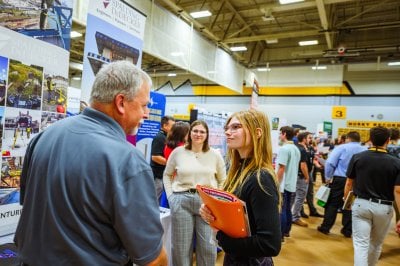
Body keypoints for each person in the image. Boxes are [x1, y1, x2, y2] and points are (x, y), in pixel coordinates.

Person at [14, 61, 167, 265]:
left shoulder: (43, 137)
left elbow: (32, 206)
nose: (146, 113)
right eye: (144, 105)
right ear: (121, 102)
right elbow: (152, 258)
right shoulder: (128, 161)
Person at [199, 109, 281, 265]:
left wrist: (221, 238)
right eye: (227, 128)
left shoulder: (261, 178)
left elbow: (270, 244)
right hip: (236, 258)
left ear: (257, 133)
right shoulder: (238, 170)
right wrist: (212, 213)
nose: (228, 133)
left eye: (236, 127)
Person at [163, 120, 226, 265]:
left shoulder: (215, 154)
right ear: (189, 133)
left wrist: (216, 201)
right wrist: (171, 196)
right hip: (181, 200)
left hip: (207, 203)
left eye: (202, 131)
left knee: (208, 247)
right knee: (181, 248)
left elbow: (223, 180)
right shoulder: (178, 152)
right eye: (195, 131)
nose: (198, 134)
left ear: (207, 135)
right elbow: (167, 175)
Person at [344, 126, 400, 266]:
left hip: (361, 204)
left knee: (361, 245)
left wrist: (347, 200)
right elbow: (398, 190)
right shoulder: (396, 162)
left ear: (370, 139)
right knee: (376, 244)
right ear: (388, 140)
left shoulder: (358, 157)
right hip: (384, 207)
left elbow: (349, 182)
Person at [317, 131, 366, 237]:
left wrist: (328, 177)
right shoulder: (365, 149)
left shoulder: (341, 148)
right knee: (350, 204)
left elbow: (330, 163)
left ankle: (325, 227)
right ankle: (348, 230)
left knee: (332, 204)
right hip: (357, 180)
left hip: (340, 179)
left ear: (348, 138)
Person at [276, 126, 300, 242]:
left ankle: (279, 235)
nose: (280, 136)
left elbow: (281, 168)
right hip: (291, 184)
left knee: (281, 210)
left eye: (280, 134)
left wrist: (275, 183)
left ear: (284, 134)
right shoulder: (295, 148)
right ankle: (286, 232)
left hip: (283, 185)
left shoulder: (284, 149)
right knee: (287, 209)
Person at [151, 115, 175, 202]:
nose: (174, 129)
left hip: (162, 175)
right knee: (155, 199)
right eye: (172, 126)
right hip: (158, 176)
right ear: (165, 126)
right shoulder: (159, 138)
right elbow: (155, 157)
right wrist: (171, 163)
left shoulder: (166, 137)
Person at [292, 132, 311, 227]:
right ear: (304, 139)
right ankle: (295, 217)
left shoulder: (295, 147)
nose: (310, 140)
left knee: (294, 196)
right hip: (301, 176)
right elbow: (303, 165)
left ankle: (292, 214)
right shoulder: (302, 150)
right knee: (300, 197)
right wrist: (307, 177)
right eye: (309, 138)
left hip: (295, 175)